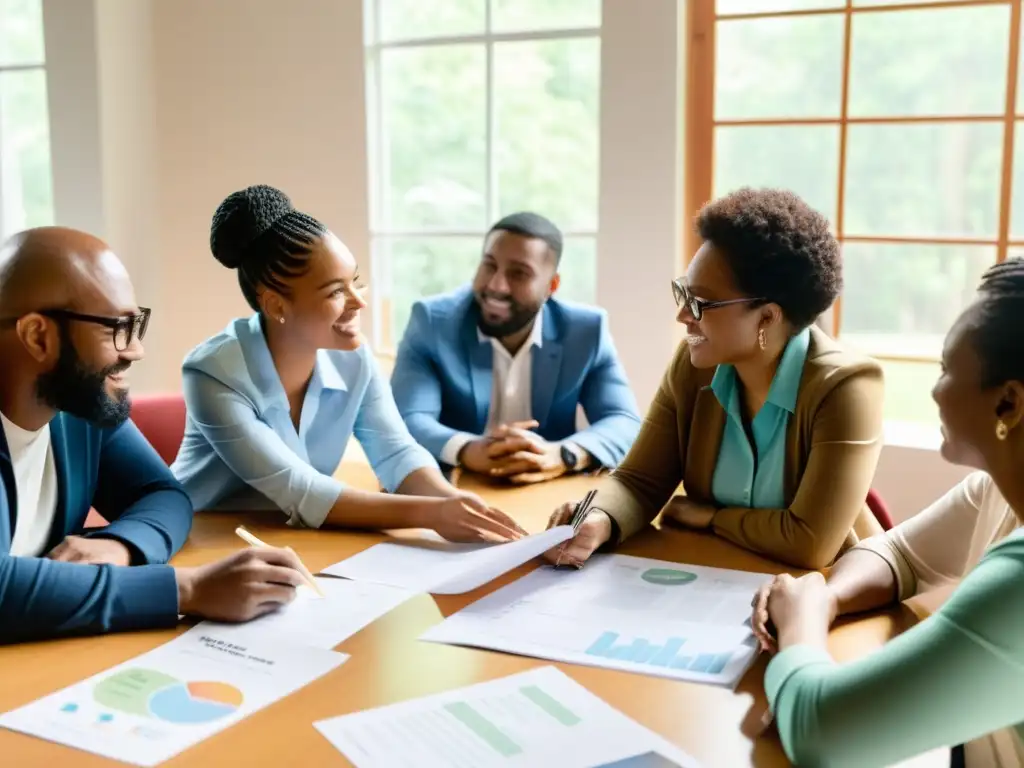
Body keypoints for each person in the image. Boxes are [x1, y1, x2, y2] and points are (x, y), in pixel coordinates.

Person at [746, 258, 1024, 768]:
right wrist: (823, 600)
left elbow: (822, 734)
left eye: (945, 370)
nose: (934, 391)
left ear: (1008, 404)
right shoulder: (997, 489)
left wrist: (799, 629)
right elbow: (899, 554)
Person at [0, 227, 310, 643]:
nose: (135, 351)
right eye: (117, 328)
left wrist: (120, 546)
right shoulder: (79, 395)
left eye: (136, 325)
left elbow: (163, 495)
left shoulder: (78, 411)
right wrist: (187, 589)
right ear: (39, 336)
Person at [547, 188, 884, 569]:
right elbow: (639, 481)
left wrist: (711, 517)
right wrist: (599, 518)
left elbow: (810, 544)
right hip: (717, 581)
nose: (682, 316)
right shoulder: (695, 366)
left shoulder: (847, 386)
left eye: (700, 303)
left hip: (828, 597)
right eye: (682, 293)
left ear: (768, 317)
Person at [171, 185, 523, 542]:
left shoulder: (354, 358)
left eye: (356, 281)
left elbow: (396, 453)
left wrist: (455, 501)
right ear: (277, 306)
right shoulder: (213, 373)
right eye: (336, 291)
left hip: (292, 535)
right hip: (203, 538)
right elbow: (301, 488)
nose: (359, 302)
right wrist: (430, 513)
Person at [391, 212, 641, 484]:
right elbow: (407, 418)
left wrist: (562, 454)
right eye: (489, 266)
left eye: (518, 274)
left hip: (547, 487)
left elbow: (624, 420)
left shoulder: (586, 331)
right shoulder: (432, 322)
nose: (496, 285)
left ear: (551, 286)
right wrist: (467, 449)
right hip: (457, 486)